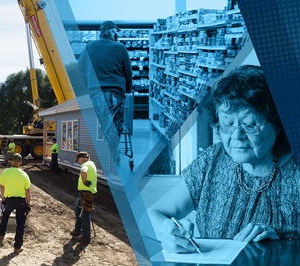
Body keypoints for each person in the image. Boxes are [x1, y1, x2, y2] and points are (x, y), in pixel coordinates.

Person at [147, 65, 300, 254]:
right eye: (227, 124)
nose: (237, 136)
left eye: (250, 125)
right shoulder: (213, 159)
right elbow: (151, 215)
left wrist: (285, 244)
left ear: (277, 123)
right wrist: (167, 232)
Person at [78, 20, 133, 165]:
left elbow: (80, 68)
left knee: (98, 124)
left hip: (95, 94)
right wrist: (127, 88)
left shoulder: (90, 46)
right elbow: (128, 71)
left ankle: (96, 156)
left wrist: (86, 86)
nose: (117, 34)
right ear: (111, 31)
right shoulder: (120, 48)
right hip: (115, 93)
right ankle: (112, 157)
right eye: (116, 31)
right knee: (114, 126)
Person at [0, 153, 31, 253]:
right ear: (20, 162)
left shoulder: (5, 172)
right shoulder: (24, 174)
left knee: (5, 215)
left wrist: (3, 198)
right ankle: (17, 247)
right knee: (20, 224)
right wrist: (28, 204)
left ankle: (1, 234)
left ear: (11, 161)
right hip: (21, 201)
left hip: (9, 199)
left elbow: (2, 187)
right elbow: (27, 191)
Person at [70, 151, 98, 244]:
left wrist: (85, 181)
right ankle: (78, 230)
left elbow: (84, 171)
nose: (78, 161)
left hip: (86, 193)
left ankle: (86, 237)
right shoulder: (92, 163)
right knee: (78, 210)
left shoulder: (85, 165)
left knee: (85, 214)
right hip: (86, 193)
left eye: (78, 159)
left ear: (82, 158)